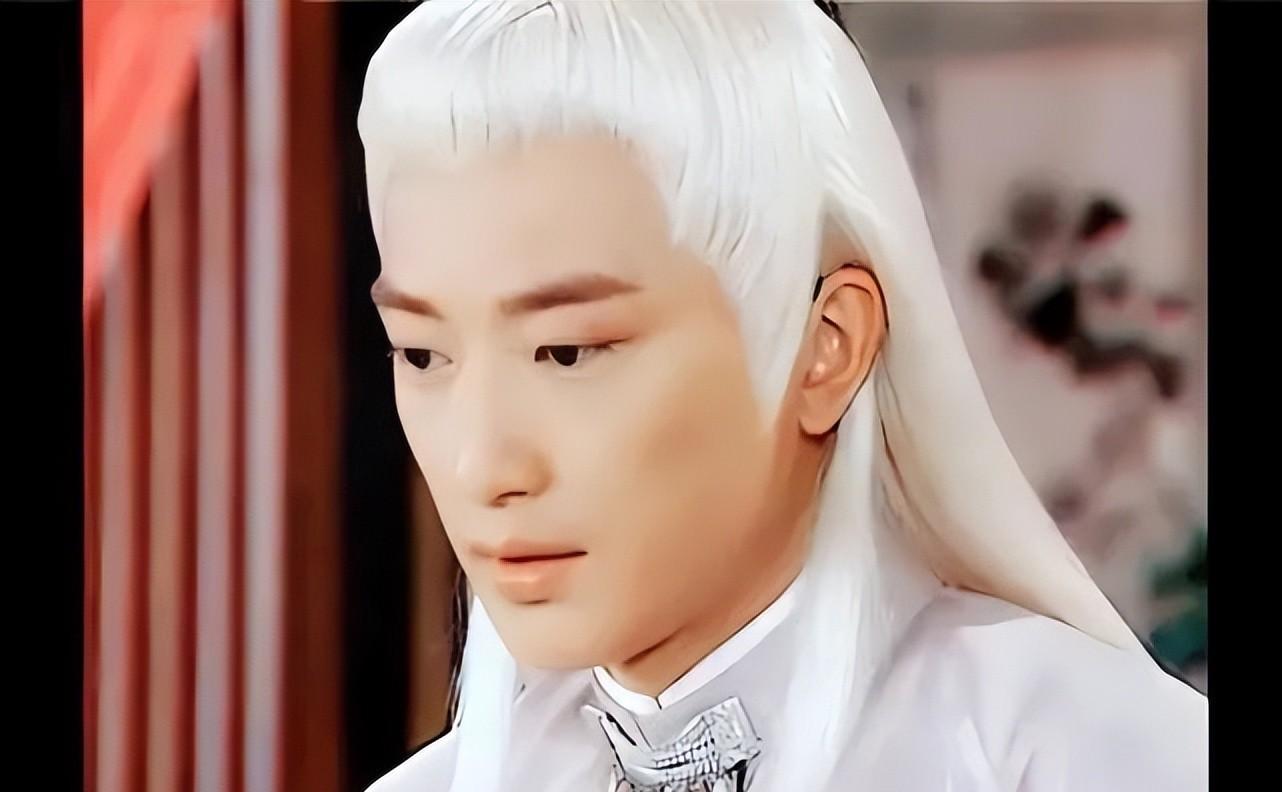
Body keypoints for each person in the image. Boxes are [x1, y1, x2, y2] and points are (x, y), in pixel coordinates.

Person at [357, 2, 1208, 790]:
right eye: (422, 354)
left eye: (568, 352)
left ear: (826, 347)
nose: (481, 467)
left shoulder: (1077, 752)